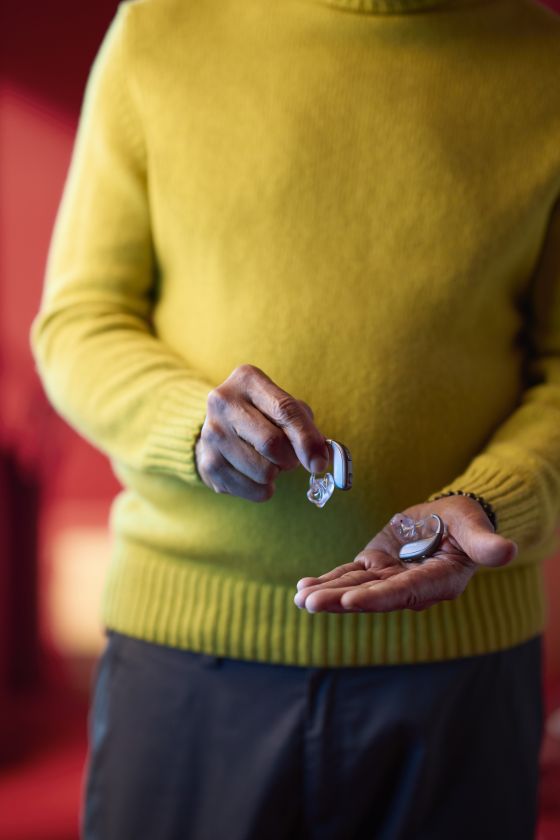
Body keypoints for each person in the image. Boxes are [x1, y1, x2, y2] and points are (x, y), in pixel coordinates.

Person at [31, 0, 560, 837]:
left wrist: (497, 499)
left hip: (462, 672)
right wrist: (191, 427)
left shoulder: (547, 61)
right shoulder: (161, 29)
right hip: (187, 653)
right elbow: (78, 321)